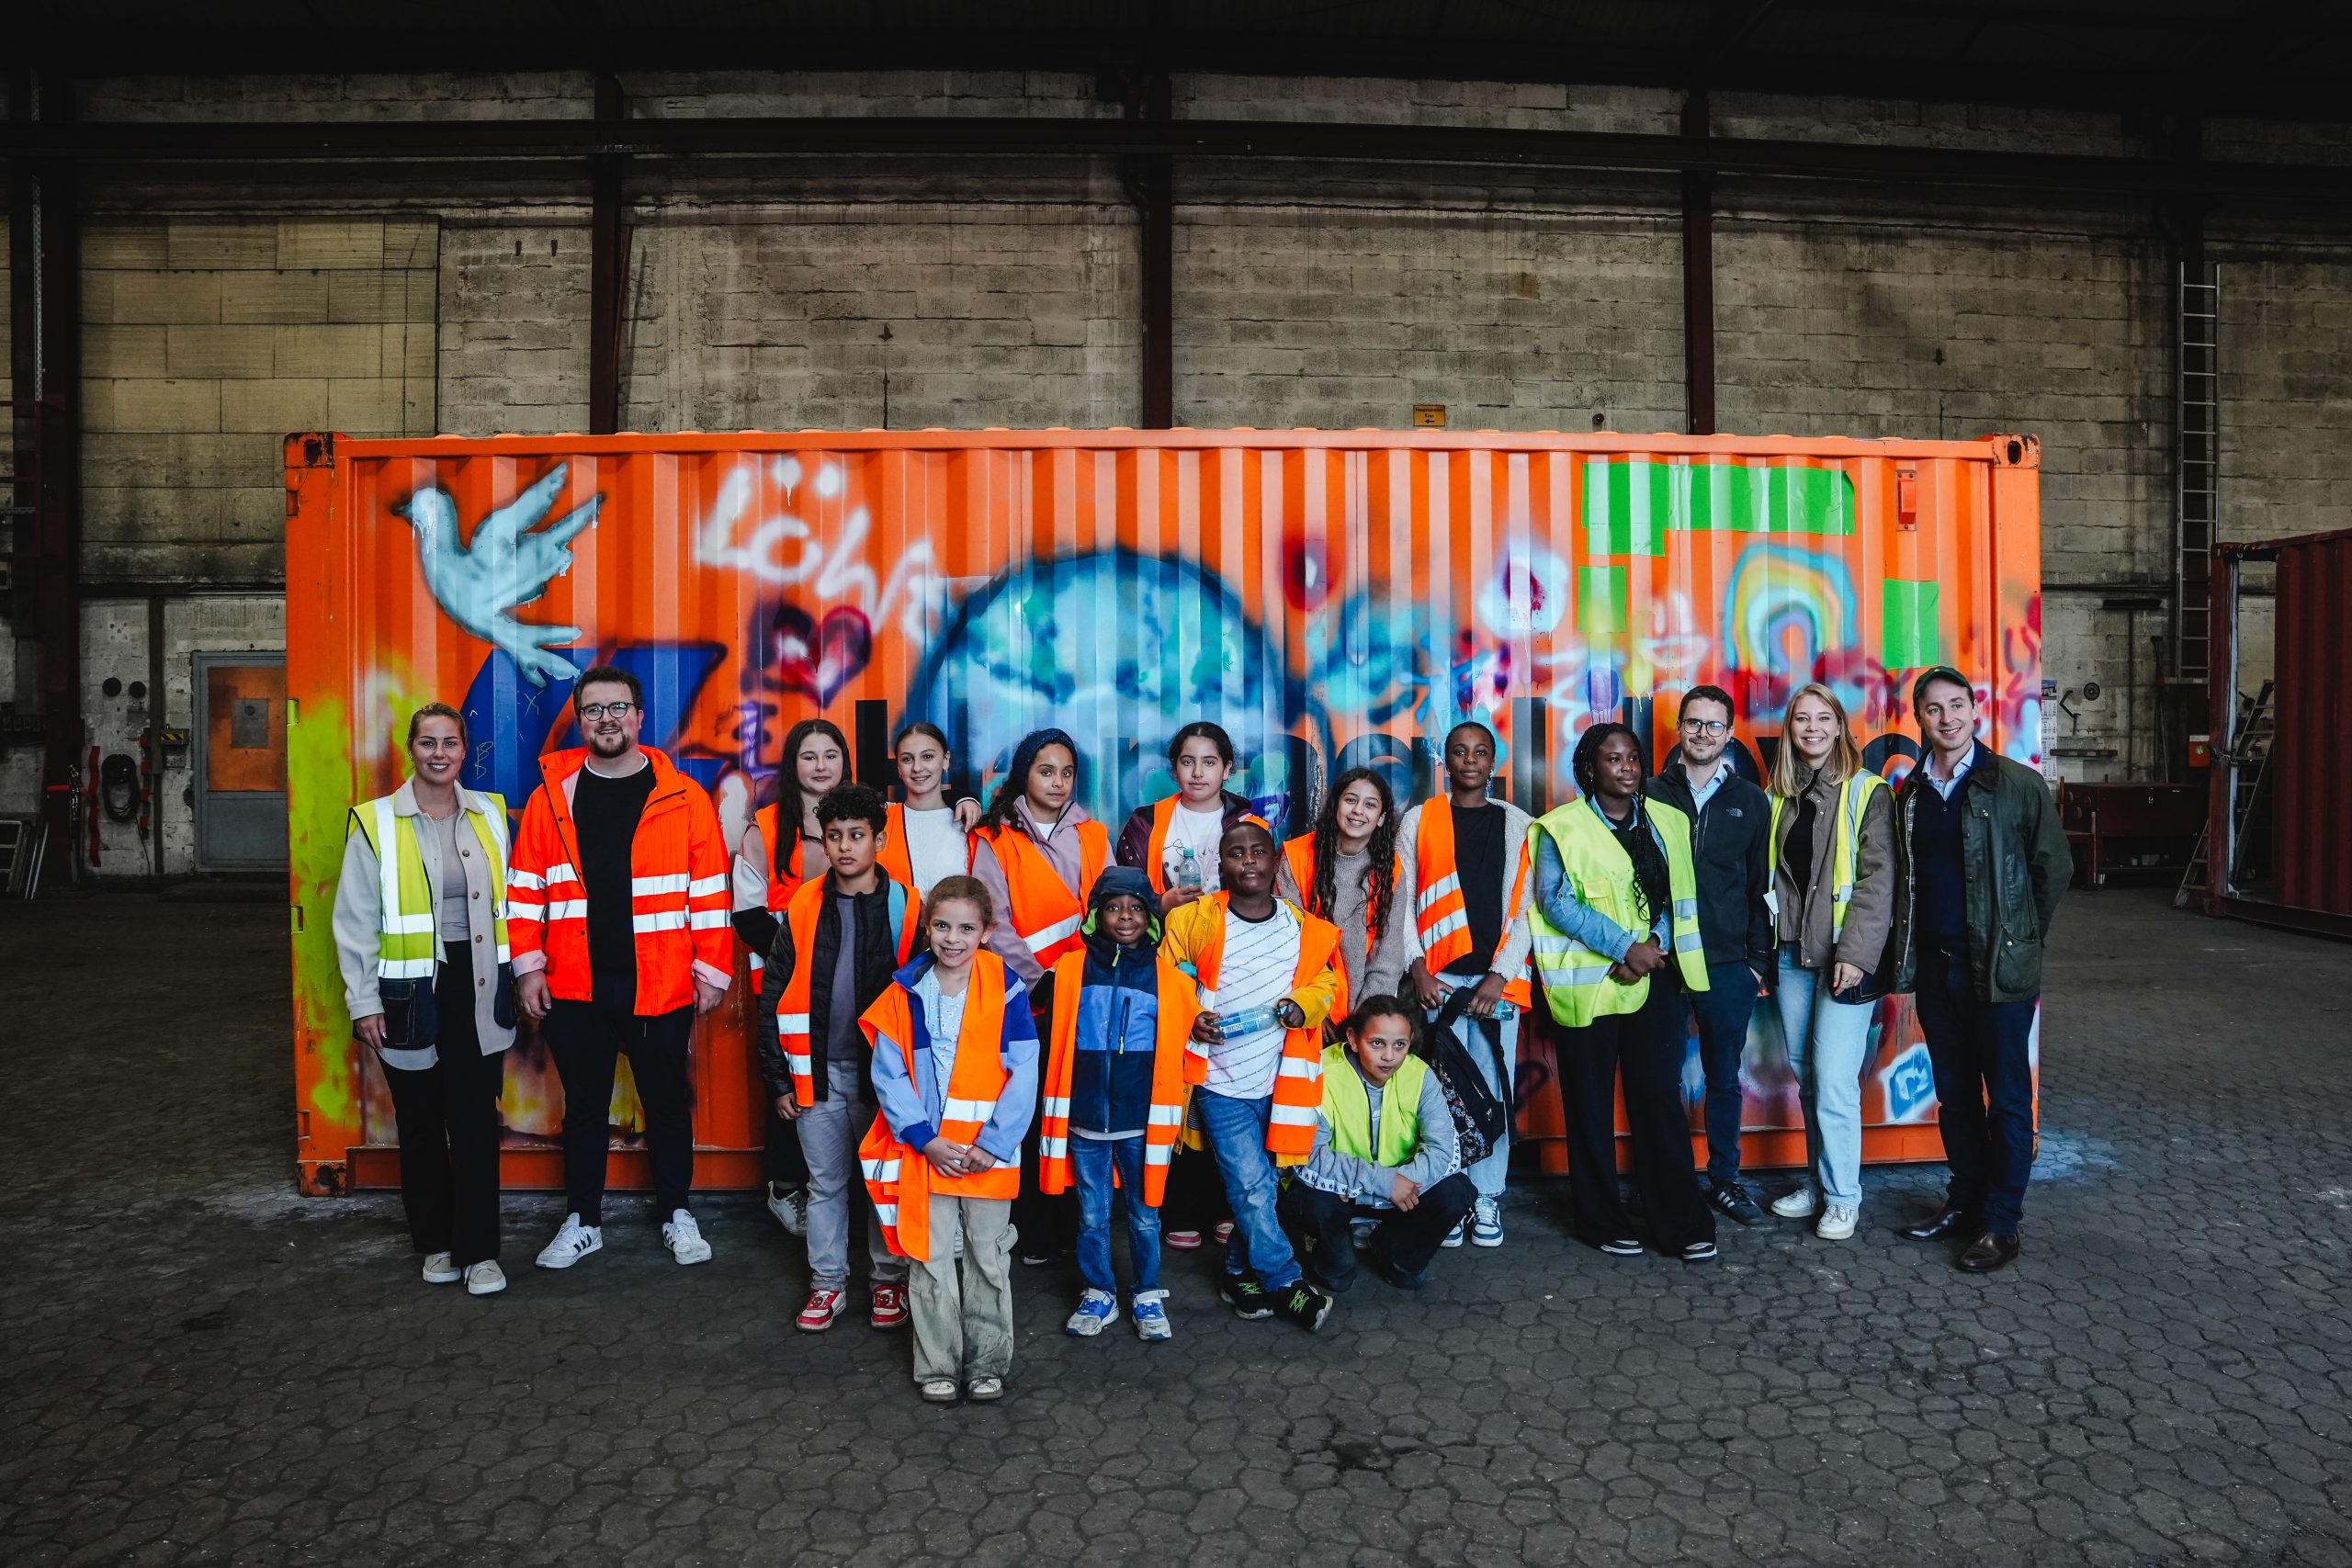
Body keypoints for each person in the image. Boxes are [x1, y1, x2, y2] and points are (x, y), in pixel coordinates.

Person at [512, 665, 731, 1271]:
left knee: (664, 1103)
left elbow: (710, 891)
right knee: (583, 1107)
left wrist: (712, 971)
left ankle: (677, 1213)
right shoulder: (550, 798)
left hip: (660, 983)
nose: (606, 719)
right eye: (593, 710)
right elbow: (526, 889)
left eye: (618, 708)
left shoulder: (685, 798)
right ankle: (583, 1220)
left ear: (639, 717)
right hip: (574, 982)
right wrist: (529, 967)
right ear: (580, 720)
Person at [332, 703, 517, 1297]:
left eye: (451, 743)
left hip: (480, 985)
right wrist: (363, 1002)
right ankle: (436, 1243)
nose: (440, 753)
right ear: (410, 748)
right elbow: (355, 919)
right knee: (419, 1123)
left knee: (473, 1121)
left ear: (465, 750)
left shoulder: (490, 812)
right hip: (406, 989)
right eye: (428, 742)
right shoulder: (375, 821)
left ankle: (480, 1252)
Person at [1890, 667, 2071, 1273]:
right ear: (1920, 718)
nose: (1947, 718)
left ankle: (2001, 1223)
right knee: (1957, 1098)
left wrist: (2021, 938)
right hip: (1938, 971)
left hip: (1997, 972)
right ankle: (1966, 1203)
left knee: (2009, 1102)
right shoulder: (1911, 794)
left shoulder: (2014, 784)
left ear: (1975, 709)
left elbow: (2054, 869)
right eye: (1933, 709)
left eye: (1956, 705)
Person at [1528, 722, 1718, 1264]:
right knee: (1588, 1107)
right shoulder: (1559, 827)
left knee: (1659, 1102)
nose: (1628, 767)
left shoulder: (1668, 821)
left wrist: (1653, 943)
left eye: (1634, 757)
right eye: (1614, 759)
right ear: (1591, 768)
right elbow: (1555, 902)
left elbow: (1674, 891)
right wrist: (1625, 949)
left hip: (1654, 981)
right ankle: (1600, 1220)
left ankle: (1681, 1223)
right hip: (1588, 988)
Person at [860, 876, 1041, 1404]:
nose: (953, 938)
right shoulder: (904, 991)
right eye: (942, 925)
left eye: (966, 928)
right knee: (930, 1257)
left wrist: (995, 1143)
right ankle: (937, 1364)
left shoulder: (1005, 987)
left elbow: (1024, 1069)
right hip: (929, 1152)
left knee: (987, 1257)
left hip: (990, 1154)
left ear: (986, 933)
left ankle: (987, 1363)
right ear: (927, 928)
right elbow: (888, 1073)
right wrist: (923, 1138)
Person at [1160, 819, 1342, 1333]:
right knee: (1251, 1187)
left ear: (1275, 861)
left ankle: (1239, 1271)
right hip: (1221, 1083)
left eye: (1258, 852)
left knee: (1266, 1184)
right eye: (1235, 854)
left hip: (1282, 1083)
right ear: (1221, 865)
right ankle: (1286, 1282)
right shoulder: (1197, 921)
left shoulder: (1301, 928)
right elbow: (1165, 977)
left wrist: (1300, 1006)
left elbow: (1326, 982)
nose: (1248, 861)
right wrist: (1189, 1016)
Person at [755, 784, 919, 1333]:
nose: (846, 847)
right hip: (817, 1077)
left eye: (857, 836)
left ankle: (888, 1281)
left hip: (888, 1080)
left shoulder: (907, 905)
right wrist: (779, 1079)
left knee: (882, 1181)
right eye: (835, 836)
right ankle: (827, 1285)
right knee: (825, 1185)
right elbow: (775, 991)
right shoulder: (803, 903)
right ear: (822, 842)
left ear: (880, 839)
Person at [1035, 866, 1199, 1342]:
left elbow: (1193, 1043)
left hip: (1142, 1121)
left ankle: (1146, 1292)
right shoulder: (1067, 971)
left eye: (1135, 908)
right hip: (1085, 1120)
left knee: (1146, 1214)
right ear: (1094, 917)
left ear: (1150, 917)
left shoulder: (1171, 980)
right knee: (1091, 1214)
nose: (1124, 917)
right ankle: (1099, 1292)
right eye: (1113, 907)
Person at [1387, 720, 1533, 1248]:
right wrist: (1418, 967)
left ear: (1493, 761)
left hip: (1497, 983)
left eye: (1480, 752)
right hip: (1439, 982)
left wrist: (1499, 976)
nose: (1469, 760)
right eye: (1458, 752)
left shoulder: (1520, 824)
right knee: (1439, 1091)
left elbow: (1527, 911)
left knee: (1492, 1090)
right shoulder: (1419, 821)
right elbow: (1400, 900)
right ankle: (1449, 1197)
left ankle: (1488, 1196)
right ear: (1444, 761)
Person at [1764, 682, 1898, 1242]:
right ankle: (1820, 1186)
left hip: (1847, 958)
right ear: (1790, 730)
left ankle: (1844, 1197)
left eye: (1824, 718)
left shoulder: (1869, 792)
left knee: (1835, 1081)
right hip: (1793, 953)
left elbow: (1879, 881)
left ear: (1840, 726)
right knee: (1807, 1077)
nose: (1812, 727)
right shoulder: (1778, 795)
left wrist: (1858, 956)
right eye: (1802, 719)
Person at [969, 727, 1107, 1266]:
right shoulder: (994, 839)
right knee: (1027, 1113)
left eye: (1066, 772)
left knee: (1080, 1112)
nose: (1057, 781)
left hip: (1087, 995)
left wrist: (1085, 979)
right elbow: (994, 921)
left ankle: (1078, 1221)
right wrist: (1040, 980)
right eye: (1045, 771)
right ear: (1024, 774)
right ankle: (1033, 1225)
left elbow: (1108, 909)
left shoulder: (1093, 834)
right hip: (1028, 1000)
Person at [1645, 686, 1775, 1228]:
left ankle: (1725, 1181)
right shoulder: (1648, 792)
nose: (1704, 734)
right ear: (1679, 728)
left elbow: (1760, 887)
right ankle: (1667, 1182)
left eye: (1715, 726)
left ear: (1729, 733)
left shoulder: (1751, 798)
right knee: (1660, 1079)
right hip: (1664, 962)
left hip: (1726, 966)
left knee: (1724, 1077)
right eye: (1694, 724)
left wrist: (1755, 963)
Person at [732, 717, 849, 1241]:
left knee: (846, 1090)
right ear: (793, 765)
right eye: (809, 756)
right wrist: (799, 958)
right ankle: (785, 1189)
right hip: (785, 988)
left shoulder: (864, 818)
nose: (821, 765)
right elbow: (747, 913)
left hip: (850, 987)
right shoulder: (767, 825)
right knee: (790, 1091)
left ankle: (845, 1195)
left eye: (830, 754)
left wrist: (966, 802)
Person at [1281, 997, 1476, 1292]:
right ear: (1354, 1040)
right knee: (1312, 1210)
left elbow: (1442, 1149)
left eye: (1400, 1045)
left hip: (1401, 1192)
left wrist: (1401, 1181)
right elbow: (1309, 1155)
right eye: (1377, 1043)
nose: (1389, 1056)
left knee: (1457, 1191)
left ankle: (1393, 1251)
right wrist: (1381, 1182)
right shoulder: (1321, 1071)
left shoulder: (1420, 1075)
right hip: (1344, 1191)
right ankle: (1334, 1257)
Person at [1276, 765, 1413, 1002]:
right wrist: (1315, 1006)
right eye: (1351, 800)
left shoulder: (1390, 870)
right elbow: (1286, 945)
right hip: (1305, 1001)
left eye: (1370, 805)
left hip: (1365, 1011)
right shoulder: (1296, 857)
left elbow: (1387, 959)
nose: (1358, 810)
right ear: (1336, 805)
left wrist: (1363, 1020)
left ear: (1381, 819)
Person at [1115, 720, 1259, 913]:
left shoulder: (1250, 826)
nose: (1197, 773)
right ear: (1175, 769)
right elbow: (1119, 892)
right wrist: (1160, 904)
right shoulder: (1145, 822)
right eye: (1187, 762)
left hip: (1228, 939)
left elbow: (1260, 898)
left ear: (1226, 769)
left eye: (1209, 762)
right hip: (1160, 940)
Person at [878, 720, 978, 898]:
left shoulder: (968, 820)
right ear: (899, 768)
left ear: (945, 760)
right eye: (907, 759)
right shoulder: (881, 820)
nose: (917, 768)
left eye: (928, 757)